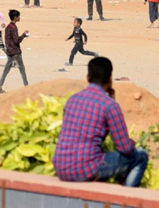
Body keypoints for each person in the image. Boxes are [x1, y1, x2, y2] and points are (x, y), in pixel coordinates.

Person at [52, 57, 150, 187]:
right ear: (110, 78)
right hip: (85, 169)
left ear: (88, 77)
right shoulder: (109, 105)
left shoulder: (73, 100)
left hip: (61, 168)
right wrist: (133, 145)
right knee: (140, 156)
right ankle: (127, 196)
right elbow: (124, 147)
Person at [0, 10, 29, 91]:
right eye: (18, 16)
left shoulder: (8, 27)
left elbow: (8, 40)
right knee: (22, 69)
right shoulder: (14, 28)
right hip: (15, 52)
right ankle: (27, 87)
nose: (19, 18)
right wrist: (24, 35)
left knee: (6, 70)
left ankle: (0, 86)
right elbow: (16, 41)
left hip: (9, 52)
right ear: (15, 17)